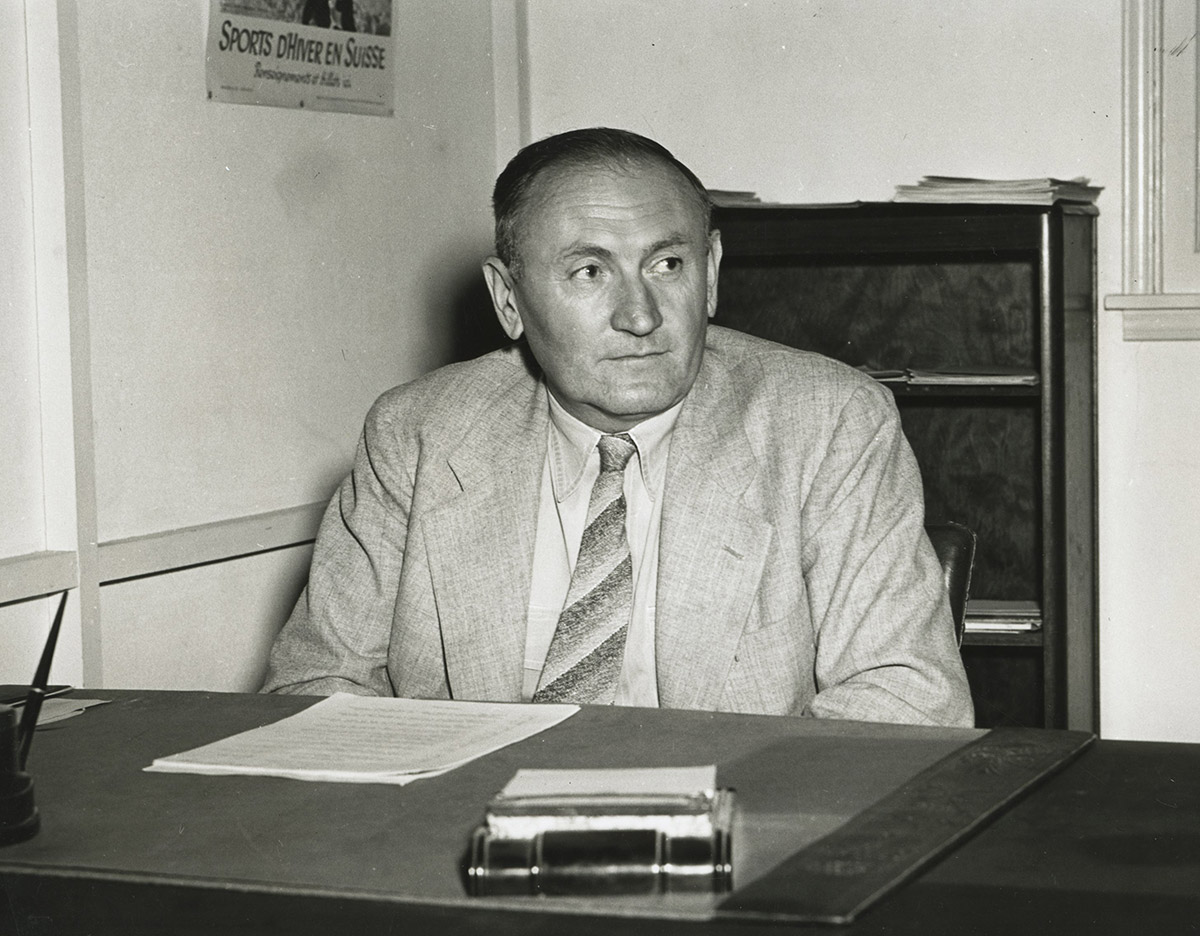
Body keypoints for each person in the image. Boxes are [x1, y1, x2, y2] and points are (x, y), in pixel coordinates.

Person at [262, 127, 974, 727]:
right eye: (589, 273)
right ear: (508, 300)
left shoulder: (827, 422)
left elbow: (908, 702)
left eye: (668, 264)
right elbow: (314, 692)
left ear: (713, 273)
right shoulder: (417, 433)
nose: (641, 315)